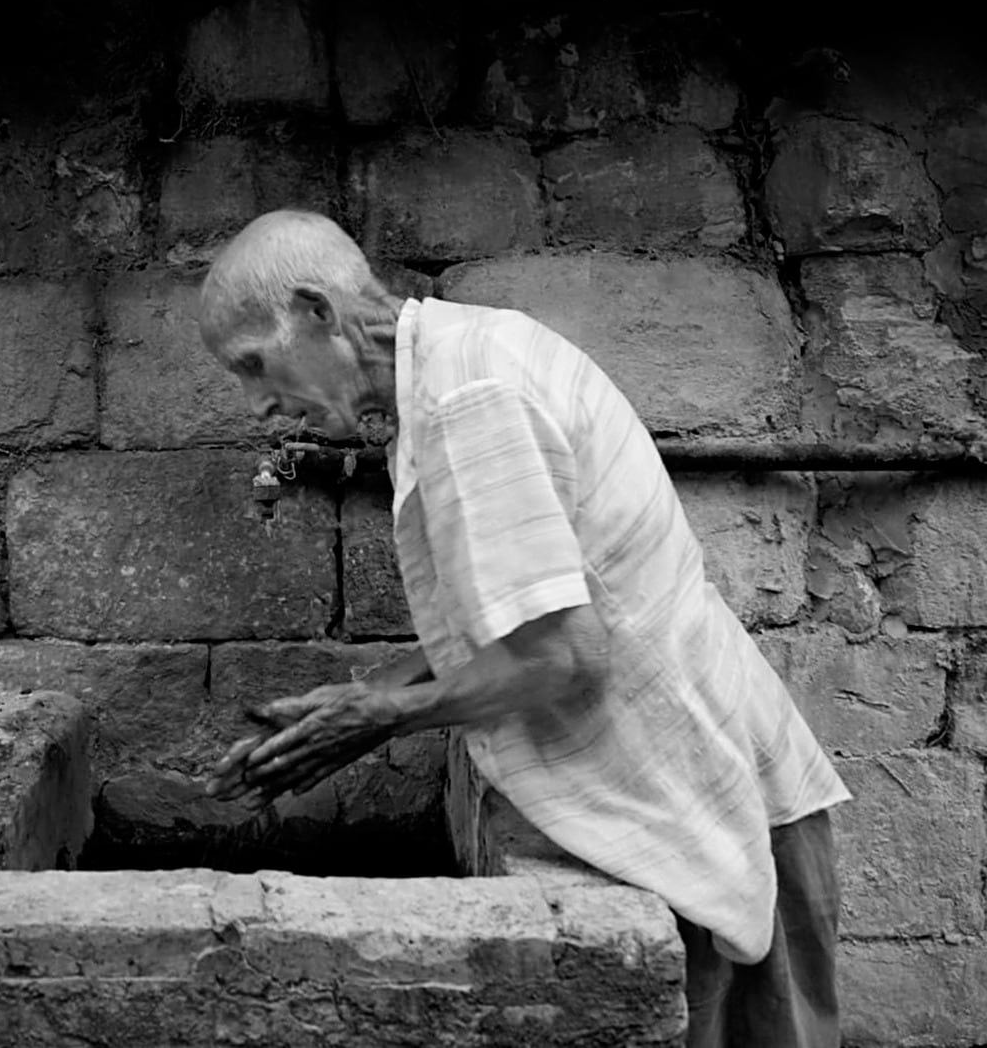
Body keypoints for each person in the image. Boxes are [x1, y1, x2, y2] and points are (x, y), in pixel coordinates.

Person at [197, 209, 850, 1048]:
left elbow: (560, 660)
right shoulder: (458, 362)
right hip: (706, 781)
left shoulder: (471, 397)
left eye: (254, 365)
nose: (256, 404)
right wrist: (357, 702)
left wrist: (375, 719)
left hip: (709, 801)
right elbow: (514, 627)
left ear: (317, 312)